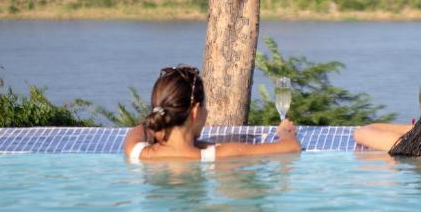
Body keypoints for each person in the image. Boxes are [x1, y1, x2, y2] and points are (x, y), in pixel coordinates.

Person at [122, 65, 302, 162]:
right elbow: (291, 147)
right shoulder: (218, 155)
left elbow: (143, 128)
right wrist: (285, 132)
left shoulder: (135, 151)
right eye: (205, 107)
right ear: (195, 112)